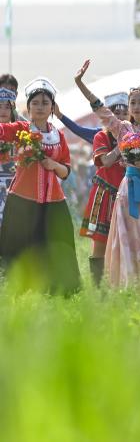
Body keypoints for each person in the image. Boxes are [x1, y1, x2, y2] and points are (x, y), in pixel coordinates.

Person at [75, 62, 140, 291]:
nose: (136, 106)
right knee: (128, 244)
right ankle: (129, 292)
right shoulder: (123, 129)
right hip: (128, 191)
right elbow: (101, 111)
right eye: (133, 102)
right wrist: (80, 84)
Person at [0, 77, 81, 294]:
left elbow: (66, 171)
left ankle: (59, 290)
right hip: (22, 201)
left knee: (57, 244)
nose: (40, 107)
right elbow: (2, 131)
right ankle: (20, 289)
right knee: (20, 247)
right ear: (28, 107)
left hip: (54, 202)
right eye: (35, 103)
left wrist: (54, 165)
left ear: (52, 107)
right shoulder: (21, 129)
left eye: (45, 103)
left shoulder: (58, 135)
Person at [78, 92, 129, 286]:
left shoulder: (136, 136)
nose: (120, 117)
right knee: (100, 243)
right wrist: (121, 147)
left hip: (127, 194)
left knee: (127, 243)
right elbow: (105, 161)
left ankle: (122, 286)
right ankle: (98, 289)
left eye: (124, 113)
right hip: (105, 194)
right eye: (116, 113)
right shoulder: (101, 136)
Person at [0, 88, 20, 231]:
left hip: (15, 184)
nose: (3, 111)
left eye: (7, 107)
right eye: (0, 106)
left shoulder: (21, 131)